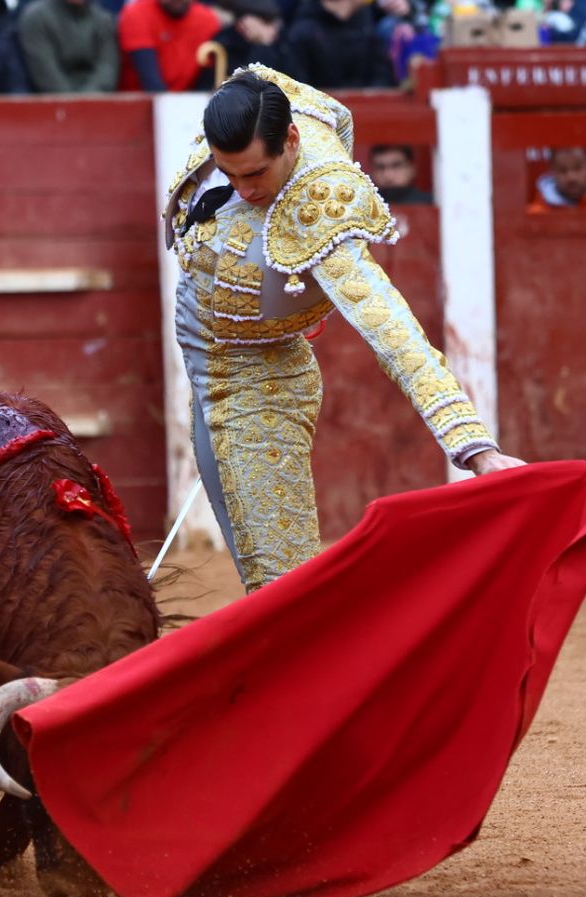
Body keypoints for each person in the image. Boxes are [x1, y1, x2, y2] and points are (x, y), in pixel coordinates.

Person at [161, 66, 524, 591]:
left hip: (261, 384)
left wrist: (473, 446)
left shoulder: (321, 210)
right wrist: (300, 298)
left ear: (291, 141)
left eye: (256, 173)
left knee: (280, 582)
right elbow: (336, 114)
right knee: (258, 571)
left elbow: (392, 328)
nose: (243, 189)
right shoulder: (265, 102)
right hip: (206, 369)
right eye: (229, 173)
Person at [282, 0, 396, 88]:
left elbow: (382, 74)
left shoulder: (365, 20)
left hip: (369, 106)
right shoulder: (303, 32)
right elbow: (298, 87)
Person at [18, 0, 120, 93]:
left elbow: (107, 69)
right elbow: (46, 73)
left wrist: (88, 100)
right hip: (52, 101)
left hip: (98, 101)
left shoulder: (104, 20)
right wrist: (74, 103)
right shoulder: (36, 18)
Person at [117, 0, 220, 91]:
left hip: (189, 100)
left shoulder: (208, 19)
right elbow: (151, 81)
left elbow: (207, 78)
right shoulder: (137, 13)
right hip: (139, 101)